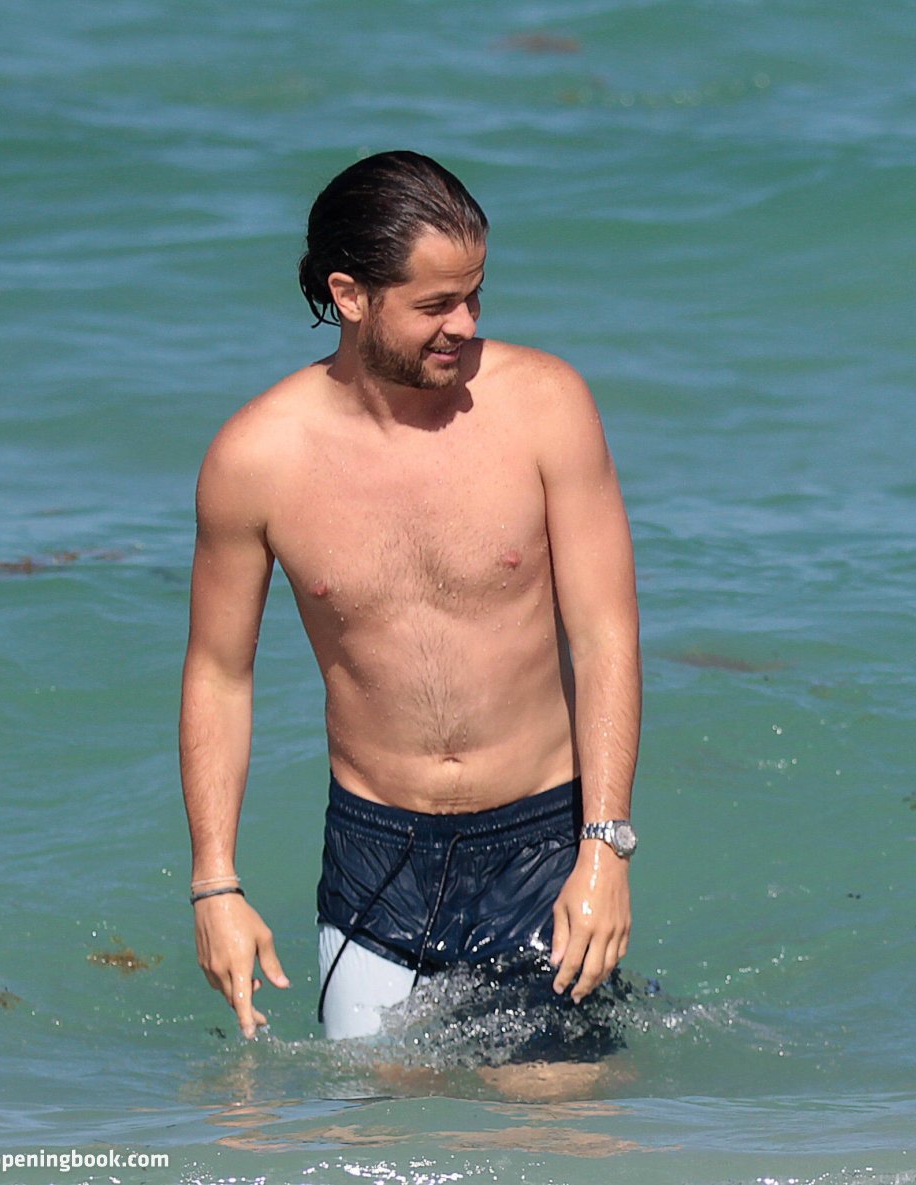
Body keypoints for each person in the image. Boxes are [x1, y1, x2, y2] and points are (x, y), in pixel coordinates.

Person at [179, 151, 642, 1044]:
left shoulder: (547, 406)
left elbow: (605, 634)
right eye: (435, 305)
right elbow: (218, 674)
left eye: (475, 295)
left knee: (567, 1109)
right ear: (350, 296)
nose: (464, 324)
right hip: (375, 858)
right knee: (381, 1114)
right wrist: (215, 884)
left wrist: (606, 845)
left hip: (544, 840)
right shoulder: (256, 458)